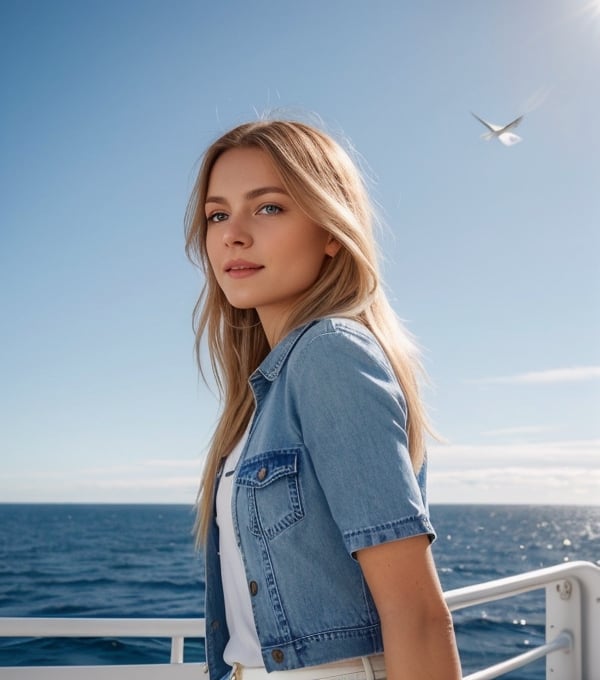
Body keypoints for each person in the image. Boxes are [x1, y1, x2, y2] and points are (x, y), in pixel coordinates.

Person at [185, 119, 462, 680]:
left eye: (267, 208)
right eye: (218, 215)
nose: (232, 235)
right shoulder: (263, 392)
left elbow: (416, 614)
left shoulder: (330, 354)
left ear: (331, 229)